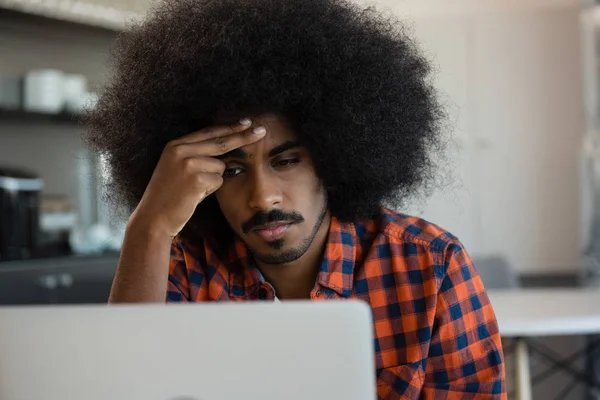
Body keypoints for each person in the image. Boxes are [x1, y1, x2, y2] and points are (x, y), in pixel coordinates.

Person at [84, 0, 506, 398]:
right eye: (231, 170)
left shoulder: (429, 266)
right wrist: (149, 226)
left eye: (286, 161)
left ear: (334, 155)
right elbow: (124, 388)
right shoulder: (185, 268)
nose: (263, 196)